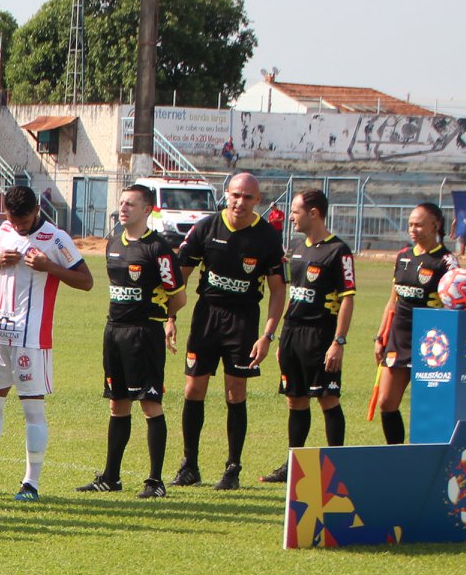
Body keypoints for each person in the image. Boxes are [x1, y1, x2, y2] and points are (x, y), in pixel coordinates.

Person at [0, 184, 90, 502]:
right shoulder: (4, 230)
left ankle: (30, 483)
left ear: (36, 211)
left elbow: (86, 281)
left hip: (32, 339)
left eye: (24, 221)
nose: (18, 227)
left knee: (32, 409)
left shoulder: (56, 239)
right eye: (13, 220)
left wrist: (50, 267)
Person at [171, 172, 286, 490]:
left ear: (257, 200)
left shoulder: (267, 236)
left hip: (243, 320)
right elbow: (179, 277)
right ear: (226, 195)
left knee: (236, 392)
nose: (240, 202)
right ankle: (190, 465)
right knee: (193, 389)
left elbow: (278, 290)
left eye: (248, 197)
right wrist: (170, 317)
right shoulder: (206, 228)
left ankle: (232, 469)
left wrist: (267, 335)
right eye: (235, 195)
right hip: (207, 316)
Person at [79, 183, 187, 497]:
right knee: (117, 404)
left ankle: (155, 482)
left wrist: (160, 317)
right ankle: (111, 477)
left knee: (150, 404)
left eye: (131, 204)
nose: (123, 208)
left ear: (147, 210)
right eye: (122, 202)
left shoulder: (158, 248)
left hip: (144, 334)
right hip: (114, 332)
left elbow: (178, 297)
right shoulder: (114, 243)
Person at [262, 189, 356, 481]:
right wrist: (282, 338)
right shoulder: (297, 248)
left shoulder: (338, 250)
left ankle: (338, 464)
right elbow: (293, 294)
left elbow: (348, 298)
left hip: (321, 335)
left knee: (327, 398)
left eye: (295, 211)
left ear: (313, 213)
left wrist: (338, 342)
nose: (291, 217)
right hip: (293, 334)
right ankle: (294, 465)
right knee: (295, 399)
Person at [370, 202, 454, 443]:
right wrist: (380, 336)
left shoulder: (447, 261)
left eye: (418, 224)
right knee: (386, 402)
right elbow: (393, 300)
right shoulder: (403, 256)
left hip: (431, 341)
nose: (413, 229)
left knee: (427, 405)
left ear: (435, 225)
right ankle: (396, 454)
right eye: (410, 225)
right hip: (399, 337)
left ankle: (429, 452)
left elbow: (455, 302)